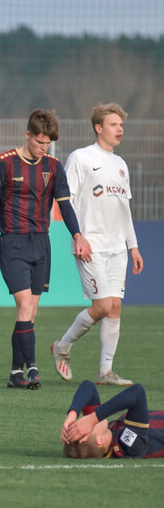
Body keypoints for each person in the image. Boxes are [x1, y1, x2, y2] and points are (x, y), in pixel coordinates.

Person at [0, 108, 93, 390]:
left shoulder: (53, 166)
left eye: (47, 143)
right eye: (39, 142)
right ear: (27, 135)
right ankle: (34, 369)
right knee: (24, 305)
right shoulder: (4, 163)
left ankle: (15, 373)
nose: (42, 148)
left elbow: (64, 205)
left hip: (41, 243)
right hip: (12, 242)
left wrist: (78, 235)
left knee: (29, 313)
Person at [51, 103, 144, 386]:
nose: (120, 130)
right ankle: (62, 346)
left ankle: (105, 372)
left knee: (114, 307)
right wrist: (78, 236)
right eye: (114, 125)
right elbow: (66, 201)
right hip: (90, 245)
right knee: (102, 306)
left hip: (118, 248)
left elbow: (124, 210)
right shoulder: (80, 158)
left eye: (121, 125)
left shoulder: (121, 165)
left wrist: (133, 246)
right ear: (98, 127)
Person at [60, 380, 164, 459]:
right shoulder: (129, 447)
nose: (85, 421)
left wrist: (72, 414)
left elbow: (88, 386)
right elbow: (137, 393)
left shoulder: (105, 430)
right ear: (100, 440)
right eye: (86, 428)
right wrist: (93, 419)